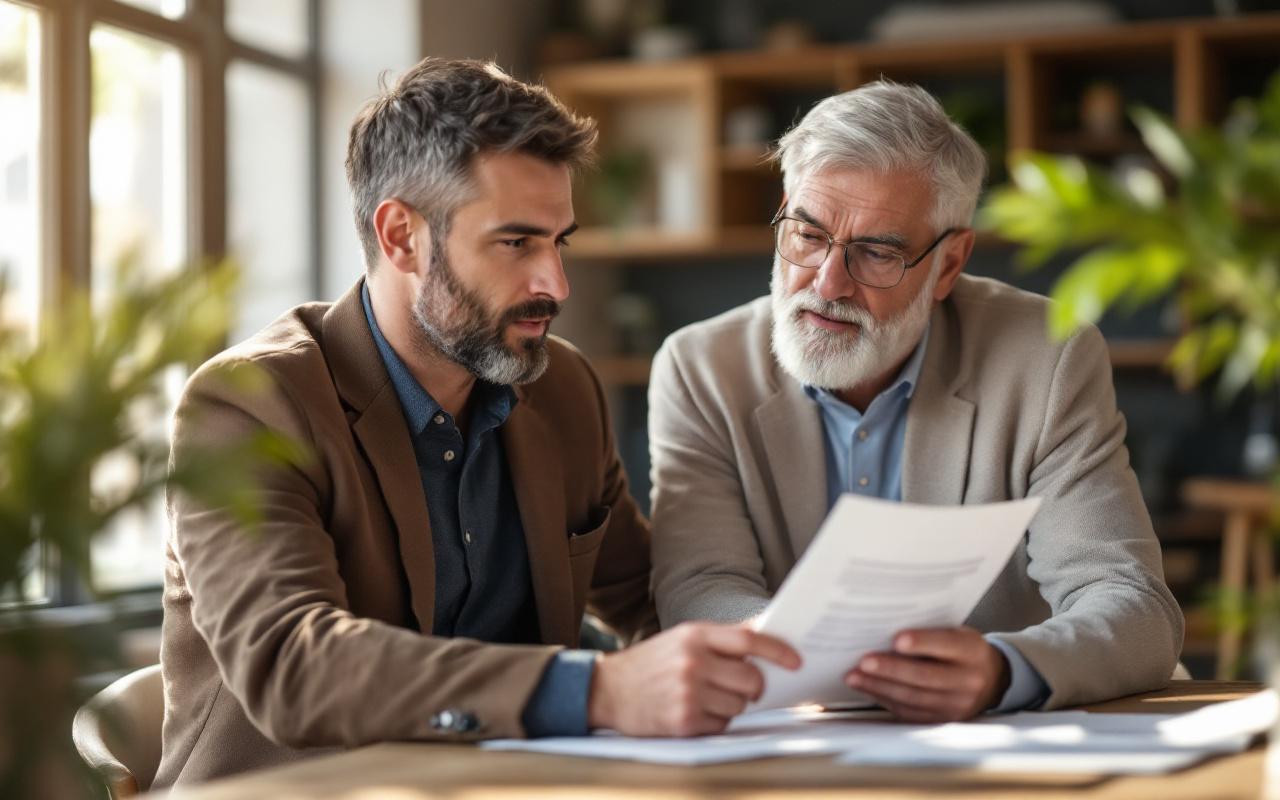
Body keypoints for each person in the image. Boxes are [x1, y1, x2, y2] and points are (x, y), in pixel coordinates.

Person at [155, 58, 798, 788]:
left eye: (561, 242)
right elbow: (292, 665)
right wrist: (597, 691)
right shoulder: (249, 404)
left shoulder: (564, 391)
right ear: (401, 236)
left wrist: (803, 654)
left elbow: (650, 597)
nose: (555, 284)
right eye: (516, 243)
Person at [648, 80, 1183, 723]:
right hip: (794, 738)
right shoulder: (699, 368)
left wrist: (1002, 670)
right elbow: (700, 587)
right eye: (809, 235)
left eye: (877, 252)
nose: (828, 282)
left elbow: (1131, 603)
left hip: (999, 743)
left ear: (949, 263)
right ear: (784, 211)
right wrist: (805, 658)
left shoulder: (1046, 358)